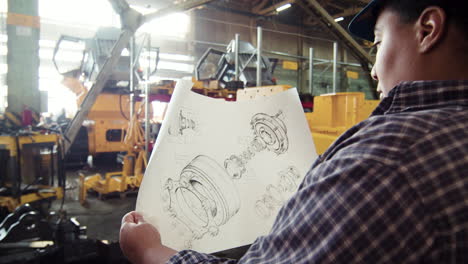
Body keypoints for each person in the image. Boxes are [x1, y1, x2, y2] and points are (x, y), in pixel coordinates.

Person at [120, 0, 468, 263]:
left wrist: (153, 252)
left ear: (427, 29)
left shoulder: (388, 161)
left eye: (377, 44)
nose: (374, 71)